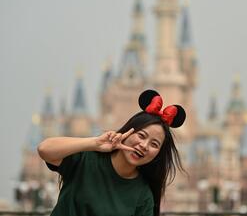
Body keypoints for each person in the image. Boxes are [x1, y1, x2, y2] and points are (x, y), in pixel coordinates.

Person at [38, 89, 186, 216]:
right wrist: (95, 143)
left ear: (158, 154)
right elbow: (44, 149)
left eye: (154, 144)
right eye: (141, 136)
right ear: (127, 132)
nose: (144, 145)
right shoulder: (87, 158)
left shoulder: (143, 195)